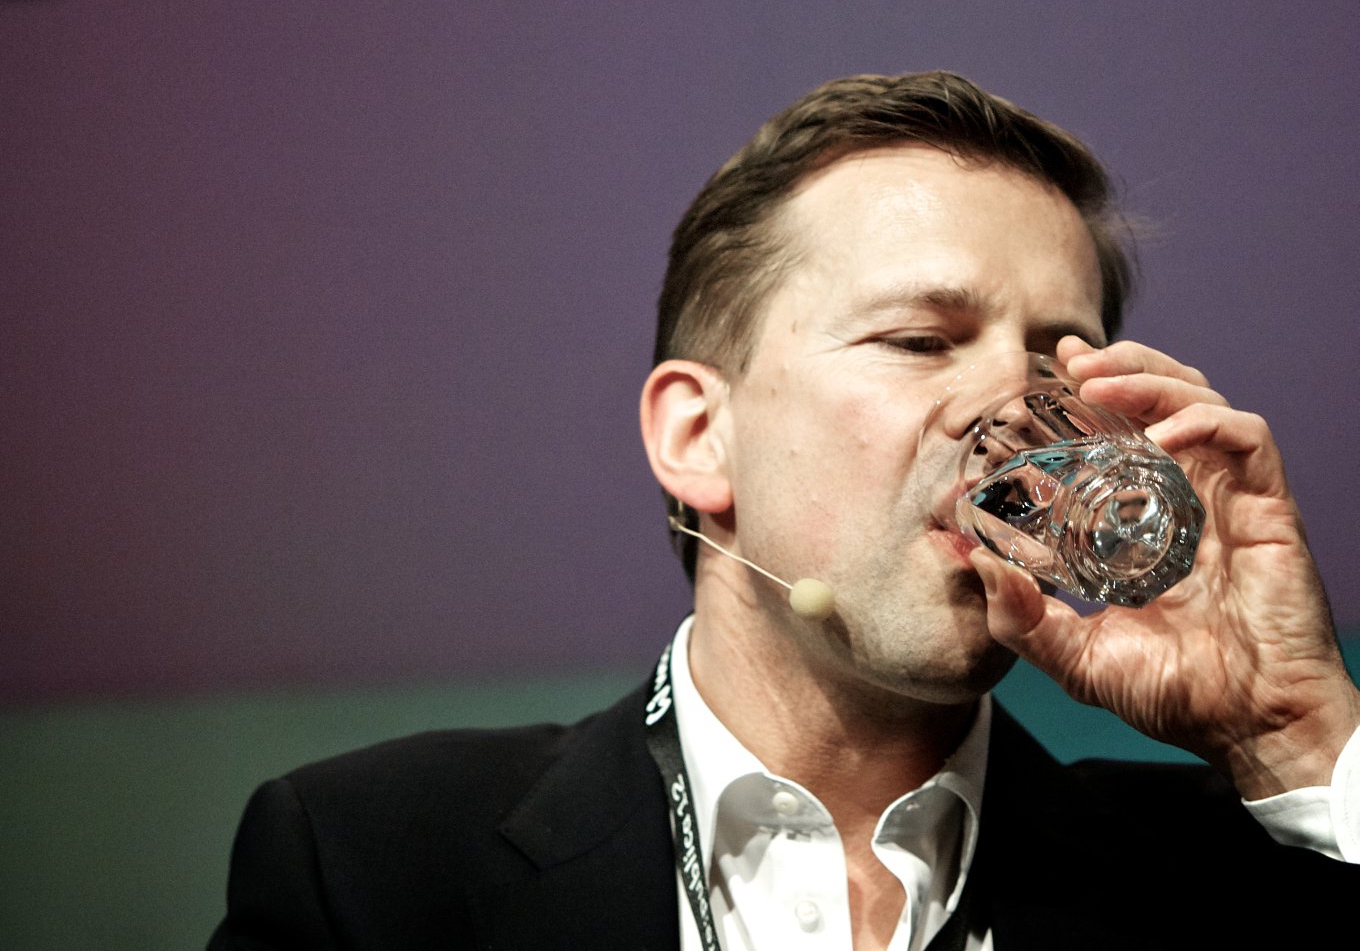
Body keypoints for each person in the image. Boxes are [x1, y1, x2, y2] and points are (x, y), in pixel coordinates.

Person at [209, 73, 1359, 949]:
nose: (1016, 407)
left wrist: (1295, 728)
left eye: (1063, 370)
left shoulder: (1224, 876)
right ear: (697, 435)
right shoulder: (375, 863)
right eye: (919, 339)